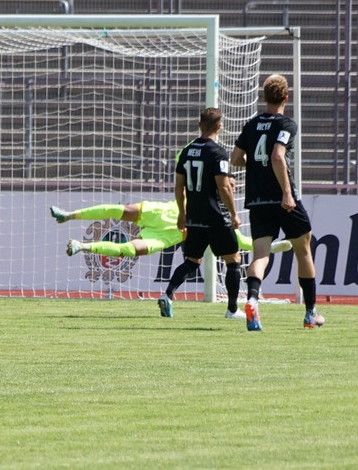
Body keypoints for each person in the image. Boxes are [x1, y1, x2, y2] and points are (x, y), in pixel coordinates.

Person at [231, 73, 325, 330]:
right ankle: (310, 313)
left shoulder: (251, 124)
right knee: (303, 249)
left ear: (265, 97)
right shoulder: (286, 125)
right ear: (285, 98)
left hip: (257, 199)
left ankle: (251, 300)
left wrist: (256, 164)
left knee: (261, 255)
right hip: (282, 200)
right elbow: (277, 156)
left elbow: (236, 158)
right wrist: (286, 192)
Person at [155, 108, 244, 318]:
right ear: (219, 127)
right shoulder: (218, 153)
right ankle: (232, 309)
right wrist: (234, 213)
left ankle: (167, 295)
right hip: (214, 216)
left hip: (194, 216)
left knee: (192, 261)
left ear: (199, 125)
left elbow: (179, 186)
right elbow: (224, 187)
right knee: (233, 259)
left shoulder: (186, 151)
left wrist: (181, 213)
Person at [51, 201, 291, 261]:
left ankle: (81, 246)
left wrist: (274, 247)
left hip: (167, 235)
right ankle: (68, 215)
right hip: (163, 212)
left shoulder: (221, 218)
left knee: (128, 250)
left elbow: (245, 243)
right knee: (119, 210)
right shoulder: (203, 187)